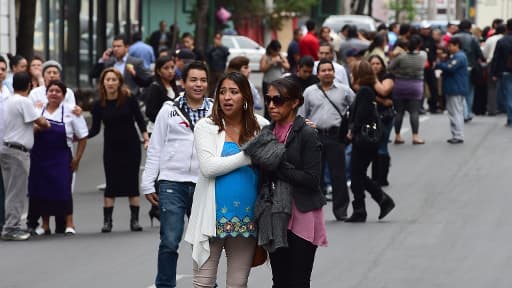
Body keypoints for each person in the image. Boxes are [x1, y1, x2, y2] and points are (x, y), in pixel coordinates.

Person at [184, 72, 269, 287]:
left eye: (234, 92)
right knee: (203, 283)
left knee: (238, 284)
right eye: (222, 92)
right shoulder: (206, 126)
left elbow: (281, 144)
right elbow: (209, 167)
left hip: (246, 219)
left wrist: (303, 126)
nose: (227, 97)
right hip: (210, 218)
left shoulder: (261, 126)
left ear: (245, 97)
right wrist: (249, 155)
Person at [141, 61, 213, 288]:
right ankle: (165, 285)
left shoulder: (216, 110)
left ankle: (206, 284)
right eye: (193, 80)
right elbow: (156, 147)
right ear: (183, 82)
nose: (198, 84)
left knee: (203, 242)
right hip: (172, 182)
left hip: (204, 183)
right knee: (170, 241)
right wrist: (148, 184)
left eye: (202, 80)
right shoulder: (168, 110)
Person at [255, 77, 327, 287]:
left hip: (303, 212)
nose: (270, 105)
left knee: (298, 280)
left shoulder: (307, 133)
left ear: (295, 102)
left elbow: (312, 180)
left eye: (278, 100)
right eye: (268, 100)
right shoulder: (267, 132)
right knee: (279, 280)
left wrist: (278, 164)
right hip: (275, 213)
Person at [88, 67, 149, 233]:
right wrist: (78, 135)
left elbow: (139, 119)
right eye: (107, 80)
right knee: (111, 182)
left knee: (131, 181)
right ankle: (107, 221)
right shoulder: (98, 104)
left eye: (114, 80)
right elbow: (94, 129)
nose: (110, 83)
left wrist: (145, 136)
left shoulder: (128, 98)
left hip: (130, 146)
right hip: (111, 148)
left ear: (119, 82)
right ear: (102, 83)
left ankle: (134, 220)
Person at [28, 80, 88, 235]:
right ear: (46, 93)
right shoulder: (37, 110)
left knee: (63, 189)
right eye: (51, 91)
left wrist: (77, 158)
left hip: (61, 156)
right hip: (40, 157)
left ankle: (70, 223)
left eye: (58, 91)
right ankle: (45, 225)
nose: (54, 94)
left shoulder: (71, 112)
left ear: (63, 95)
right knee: (42, 189)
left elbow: (83, 136)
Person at [299, 59, 356, 221]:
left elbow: (356, 109)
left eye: (329, 70)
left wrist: (352, 129)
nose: (327, 73)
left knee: (338, 175)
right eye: (323, 70)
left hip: (336, 137)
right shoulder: (309, 92)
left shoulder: (345, 91)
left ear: (334, 72)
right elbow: (301, 116)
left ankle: (341, 210)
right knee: (314, 176)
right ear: (318, 74)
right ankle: (312, 210)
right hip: (314, 137)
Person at [0, 72, 50, 241]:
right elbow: (42, 122)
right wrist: (46, 121)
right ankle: (11, 228)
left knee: (10, 190)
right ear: (29, 85)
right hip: (17, 152)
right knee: (17, 191)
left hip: (7, 148)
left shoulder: (8, 101)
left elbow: (24, 126)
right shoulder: (24, 101)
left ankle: (10, 225)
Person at [346, 61, 395, 223]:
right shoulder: (365, 91)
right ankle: (376, 202)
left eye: (354, 72)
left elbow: (362, 114)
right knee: (358, 174)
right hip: (365, 140)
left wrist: (352, 130)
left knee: (356, 174)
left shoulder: (365, 91)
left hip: (363, 139)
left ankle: (365, 207)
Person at [388, 35, 427, 145]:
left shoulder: (401, 57)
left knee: (399, 112)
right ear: (419, 45)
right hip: (416, 86)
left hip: (400, 85)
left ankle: (397, 136)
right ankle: (415, 136)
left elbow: (390, 67)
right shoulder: (423, 56)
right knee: (414, 112)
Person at [435, 38, 469, 144]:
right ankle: (456, 134)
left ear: (457, 45)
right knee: (454, 112)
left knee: (456, 112)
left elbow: (450, 68)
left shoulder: (459, 56)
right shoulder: (456, 56)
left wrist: (439, 64)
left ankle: (458, 135)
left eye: (450, 46)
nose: (449, 48)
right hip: (453, 87)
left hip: (456, 87)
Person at [368, 55, 395, 186]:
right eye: (372, 64)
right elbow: (357, 88)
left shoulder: (387, 76)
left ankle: (382, 178)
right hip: (370, 116)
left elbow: (384, 91)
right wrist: (381, 100)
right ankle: (374, 177)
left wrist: (372, 78)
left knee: (382, 145)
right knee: (372, 147)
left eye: (378, 63)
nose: (375, 66)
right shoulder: (365, 78)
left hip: (385, 116)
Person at [452, 19, 486, 122]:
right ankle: (468, 112)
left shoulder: (454, 38)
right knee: (470, 91)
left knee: (459, 91)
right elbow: (479, 54)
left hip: (456, 67)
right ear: (469, 27)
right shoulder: (473, 39)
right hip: (470, 67)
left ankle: (461, 112)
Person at [260, 40, 290, 119]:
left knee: (279, 102)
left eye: (278, 50)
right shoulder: (266, 56)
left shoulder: (280, 55)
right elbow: (262, 69)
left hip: (279, 83)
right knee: (268, 103)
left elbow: (287, 67)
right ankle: (267, 119)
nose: (277, 52)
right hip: (268, 83)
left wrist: (281, 62)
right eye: (275, 51)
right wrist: (271, 62)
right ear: (271, 49)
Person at [491, 18, 512, 127]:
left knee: (508, 95)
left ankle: (510, 118)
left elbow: (496, 58)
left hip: (506, 71)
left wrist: (494, 73)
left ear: (507, 27)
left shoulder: (502, 41)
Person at [419, 21, 441, 114]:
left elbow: (434, 51)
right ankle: (419, 106)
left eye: (428, 29)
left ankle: (433, 106)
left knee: (433, 86)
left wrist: (434, 61)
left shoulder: (431, 39)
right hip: (420, 66)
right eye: (424, 29)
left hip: (431, 66)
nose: (426, 31)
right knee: (421, 87)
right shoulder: (418, 39)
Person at [0, 56, 10, 229]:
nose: (0, 73)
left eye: (3, 69)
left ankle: (3, 222)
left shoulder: (9, 93)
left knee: (5, 186)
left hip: (6, 145)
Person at [206, 32, 230, 97]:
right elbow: (207, 55)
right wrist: (215, 47)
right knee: (211, 87)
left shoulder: (224, 48)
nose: (218, 40)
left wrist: (220, 46)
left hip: (221, 71)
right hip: (212, 71)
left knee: (221, 86)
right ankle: (210, 99)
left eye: (219, 38)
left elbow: (227, 53)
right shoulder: (211, 48)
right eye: (217, 38)